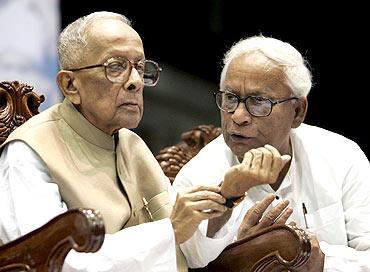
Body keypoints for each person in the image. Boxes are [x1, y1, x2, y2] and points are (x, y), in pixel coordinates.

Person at [0, 11, 236, 271]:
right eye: (115, 67)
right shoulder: (29, 152)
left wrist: (222, 209)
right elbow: (51, 261)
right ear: (70, 85)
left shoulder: (132, 144)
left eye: (139, 67)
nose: (135, 81)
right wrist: (169, 231)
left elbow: (188, 252)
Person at [173, 35, 370, 271]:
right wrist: (228, 199)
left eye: (258, 101)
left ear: (297, 111)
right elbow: (189, 261)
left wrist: (307, 257)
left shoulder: (342, 157)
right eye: (230, 98)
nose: (238, 116)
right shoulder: (197, 175)